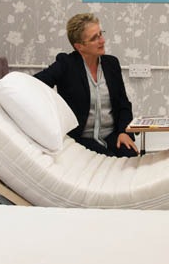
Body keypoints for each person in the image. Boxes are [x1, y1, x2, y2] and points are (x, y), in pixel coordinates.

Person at [35, 13, 139, 157]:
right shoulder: (66, 64)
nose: (102, 41)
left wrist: (123, 132)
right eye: (94, 38)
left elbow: (123, 104)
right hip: (81, 138)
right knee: (108, 161)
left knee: (131, 157)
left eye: (100, 34)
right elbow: (35, 84)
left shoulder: (111, 64)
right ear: (79, 46)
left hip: (112, 135)